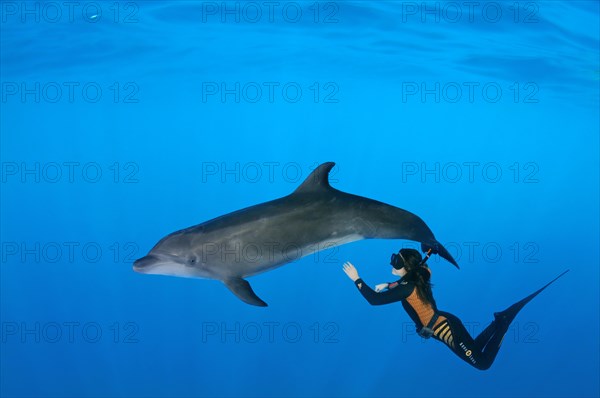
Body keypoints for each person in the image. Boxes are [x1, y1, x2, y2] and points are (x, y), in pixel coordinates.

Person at [343, 248, 568, 370]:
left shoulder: (408, 285)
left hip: (445, 330)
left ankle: (503, 322)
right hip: (446, 322)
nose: (393, 265)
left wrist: (357, 279)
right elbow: (421, 268)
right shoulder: (419, 275)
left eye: (397, 262)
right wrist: (390, 283)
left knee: (482, 364)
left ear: (407, 268)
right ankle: (497, 321)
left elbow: (374, 300)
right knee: (475, 347)